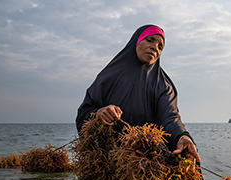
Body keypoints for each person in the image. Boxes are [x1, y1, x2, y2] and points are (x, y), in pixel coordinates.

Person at [76, 24, 201, 170]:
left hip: (145, 164)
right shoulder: (107, 77)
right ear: (136, 41)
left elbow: (170, 119)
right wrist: (99, 113)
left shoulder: (164, 87)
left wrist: (182, 137)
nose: (155, 47)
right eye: (150, 40)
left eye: (160, 47)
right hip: (104, 162)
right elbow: (84, 113)